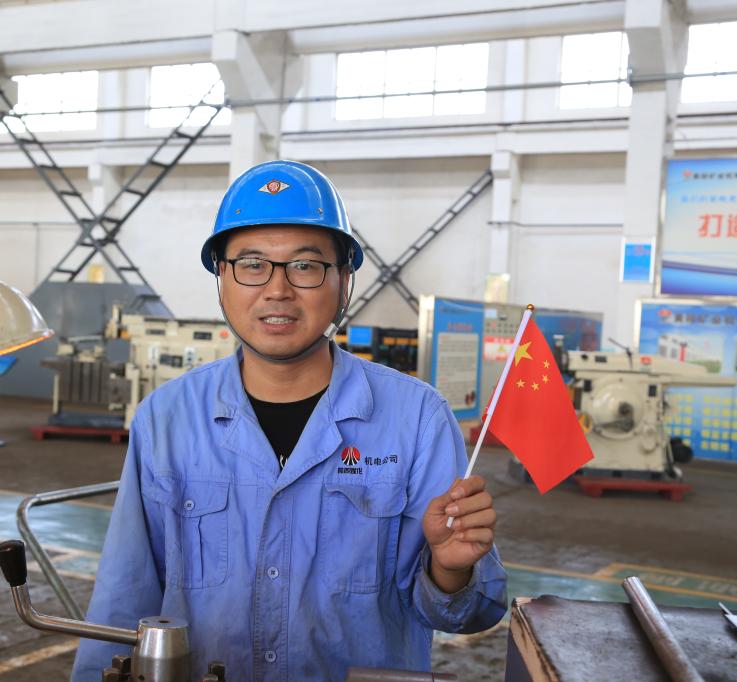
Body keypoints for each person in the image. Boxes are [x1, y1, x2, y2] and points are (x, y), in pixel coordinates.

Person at [72, 160, 507, 681]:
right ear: (221, 278)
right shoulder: (167, 419)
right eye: (252, 264)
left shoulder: (416, 420)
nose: (277, 289)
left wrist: (450, 569)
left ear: (344, 281)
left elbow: (471, 612)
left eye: (305, 266)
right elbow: (125, 596)